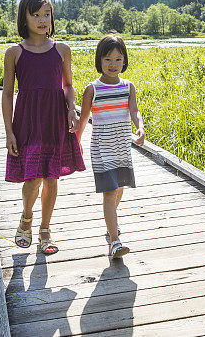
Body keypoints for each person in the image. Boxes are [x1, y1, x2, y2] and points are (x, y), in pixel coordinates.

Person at [3, 0, 84, 255]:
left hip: (55, 119)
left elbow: (69, 86)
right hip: (27, 121)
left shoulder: (62, 50)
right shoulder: (14, 52)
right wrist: (9, 132)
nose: (42, 20)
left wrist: (72, 109)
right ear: (23, 18)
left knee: (51, 176)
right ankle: (27, 218)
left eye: (46, 14)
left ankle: (45, 230)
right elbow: (6, 94)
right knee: (33, 176)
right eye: (35, 14)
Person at [78, 34, 144, 258]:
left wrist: (140, 127)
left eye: (118, 59)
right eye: (107, 59)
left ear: (124, 61)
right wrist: (75, 144)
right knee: (109, 193)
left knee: (119, 189)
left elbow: (134, 110)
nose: (113, 64)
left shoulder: (128, 87)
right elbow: (83, 120)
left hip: (122, 148)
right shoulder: (92, 89)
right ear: (99, 61)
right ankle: (115, 240)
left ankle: (110, 225)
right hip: (102, 150)